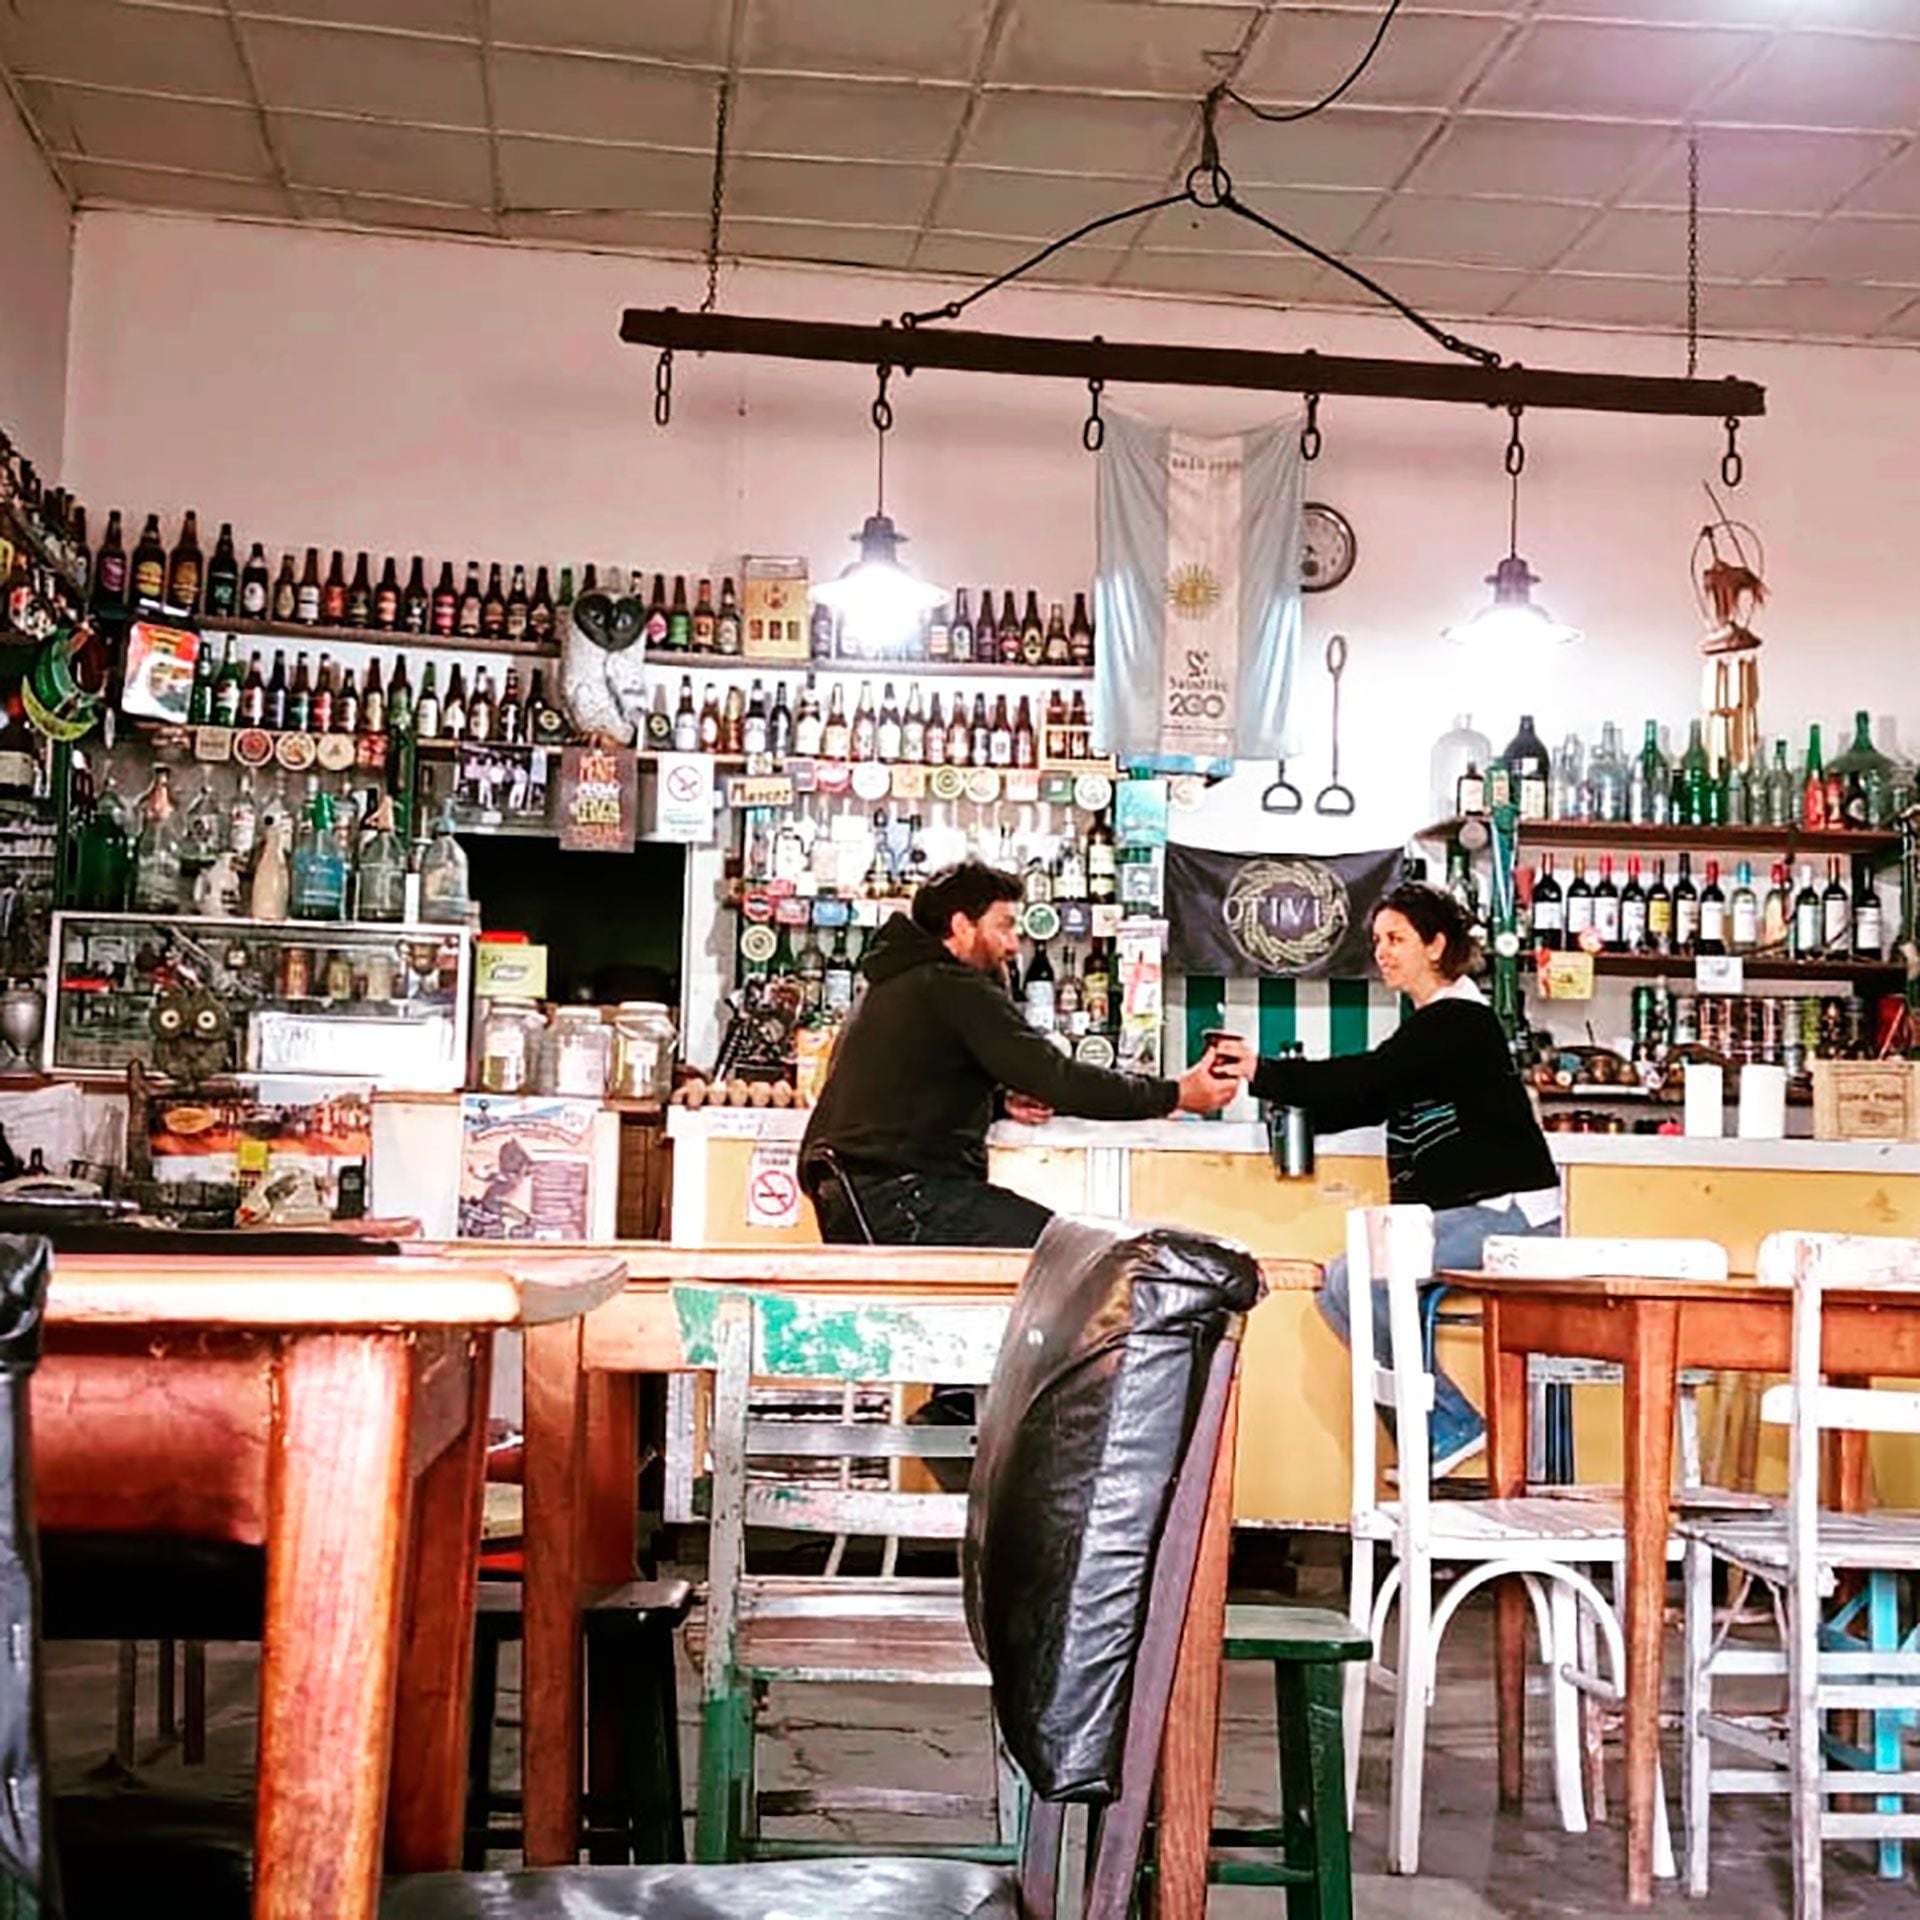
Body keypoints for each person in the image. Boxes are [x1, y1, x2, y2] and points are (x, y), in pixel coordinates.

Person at [1213, 882, 1560, 1474]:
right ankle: (1435, 1433)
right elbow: (1374, 1098)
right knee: (1340, 1288)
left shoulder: (1459, 1021)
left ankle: (1448, 1426)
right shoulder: (1432, 1027)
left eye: (1397, 939)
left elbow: (1368, 1077)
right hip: (1470, 1216)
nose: (1383, 952)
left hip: (1509, 1217)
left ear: (1436, 945)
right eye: (1377, 941)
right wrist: (1278, 1106)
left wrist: (1263, 1071)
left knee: (1359, 1279)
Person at [801, 860, 1238, 1246]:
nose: (1014, 943)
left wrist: (997, 1103)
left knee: (1056, 1258)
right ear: (961, 926)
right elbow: (1057, 1078)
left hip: (864, 1194)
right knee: (1071, 1260)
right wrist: (1176, 1094)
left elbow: (909, 1085)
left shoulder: (898, 981)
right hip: (907, 1196)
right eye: (1004, 926)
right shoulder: (952, 986)